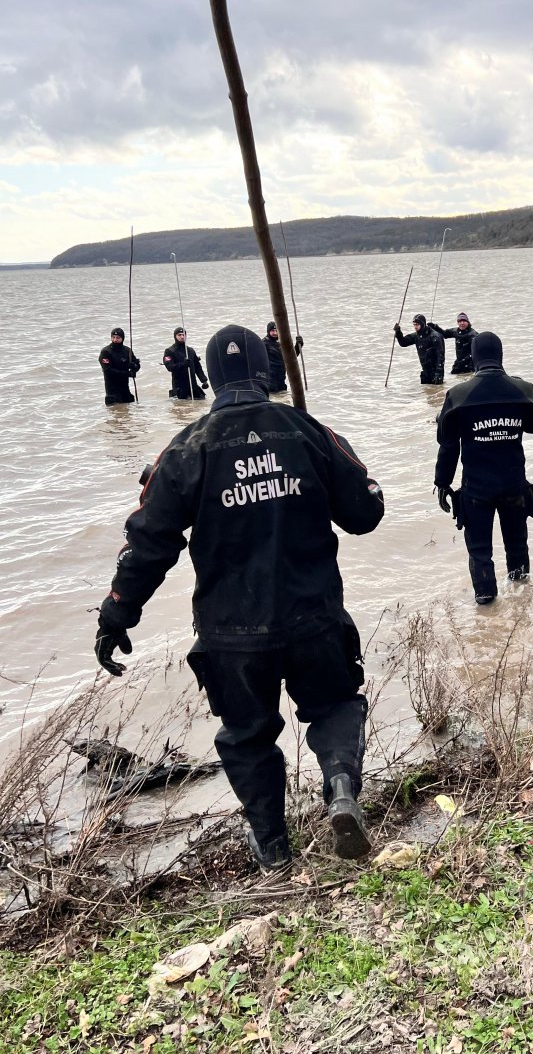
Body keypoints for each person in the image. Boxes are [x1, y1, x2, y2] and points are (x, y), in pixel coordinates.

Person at [94, 324, 385, 870]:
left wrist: (116, 614)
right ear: (264, 369)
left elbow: (148, 544)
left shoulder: (186, 449)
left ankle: (273, 846)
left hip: (232, 634)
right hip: (313, 615)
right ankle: (341, 787)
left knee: (248, 735)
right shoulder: (307, 431)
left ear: (211, 376)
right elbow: (365, 514)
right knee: (336, 705)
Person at [434, 331, 533, 603]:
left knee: (480, 551)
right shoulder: (523, 389)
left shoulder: (458, 395)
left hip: (477, 490)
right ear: (500, 355)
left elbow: (448, 444)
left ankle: (486, 604)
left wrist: (442, 482)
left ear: (474, 358)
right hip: (513, 485)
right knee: (517, 546)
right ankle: (521, 602)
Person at [394, 313, 445, 384]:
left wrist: (439, 372)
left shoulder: (435, 336)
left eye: (417, 325)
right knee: (426, 392)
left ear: (423, 324)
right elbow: (403, 343)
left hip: (436, 371)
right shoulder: (416, 336)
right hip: (425, 372)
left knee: (437, 392)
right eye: (414, 325)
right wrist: (398, 333)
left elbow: (440, 355)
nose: (415, 327)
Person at [162, 327, 208, 400]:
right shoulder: (169, 351)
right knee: (182, 408)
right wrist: (183, 364)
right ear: (175, 336)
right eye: (179, 335)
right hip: (179, 387)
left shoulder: (190, 351)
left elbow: (197, 367)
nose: (182, 337)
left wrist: (204, 380)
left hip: (193, 385)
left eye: (184, 335)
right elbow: (169, 367)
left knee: (200, 404)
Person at [99, 327, 140, 405]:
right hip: (112, 392)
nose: (115, 340)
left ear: (122, 338)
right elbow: (108, 370)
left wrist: (134, 367)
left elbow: (137, 364)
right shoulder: (105, 352)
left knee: (129, 414)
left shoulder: (127, 351)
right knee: (116, 414)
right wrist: (127, 374)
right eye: (113, 337)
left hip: (125, 391)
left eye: (118, 338)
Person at [262, 321, 304, 394]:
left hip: (281, 380)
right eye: (272, 331)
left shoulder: (282, 343)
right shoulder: (264, 344)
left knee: (284, 399)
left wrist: (298, 345)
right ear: (268, 331)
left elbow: (291, 358)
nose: (275, 333)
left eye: (276, 331)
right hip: (270, 381)